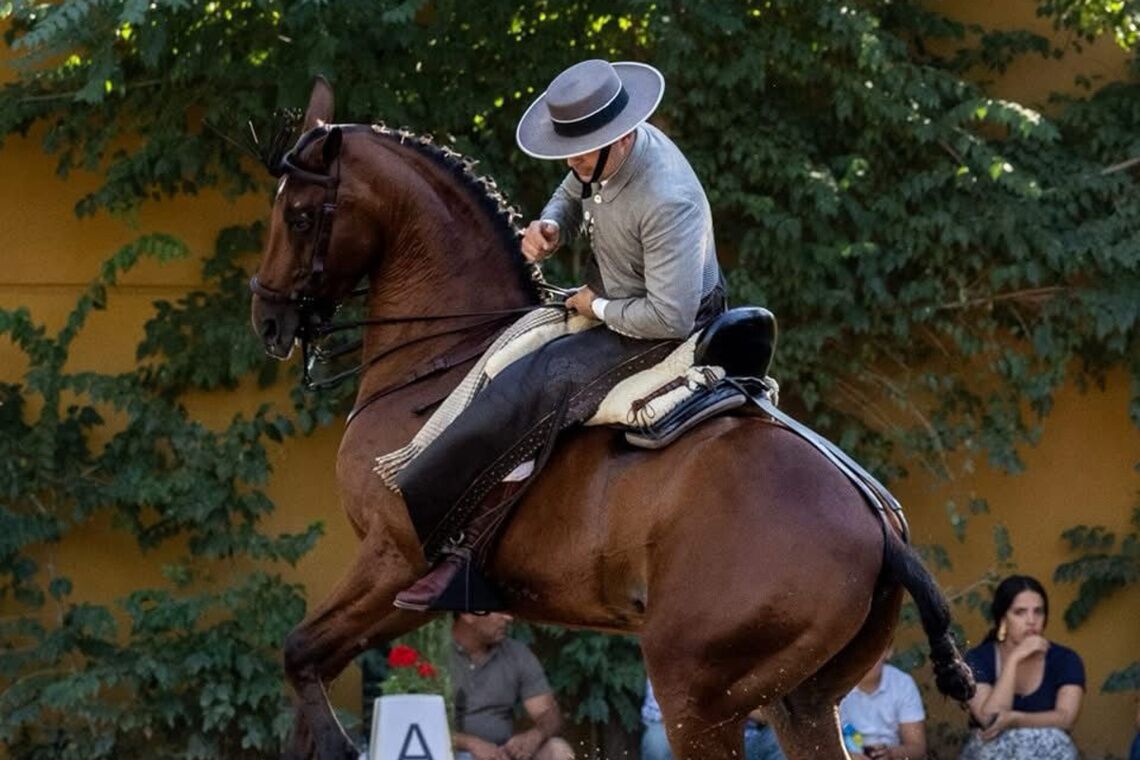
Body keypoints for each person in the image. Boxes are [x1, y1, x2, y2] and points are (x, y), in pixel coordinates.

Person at [394, 58, 724, 612]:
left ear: (620, 139)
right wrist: (552, 224)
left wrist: (594, 303)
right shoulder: (597, 155)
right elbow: (573, 189)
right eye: (568, 150)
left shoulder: (670, 199)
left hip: (666, 328)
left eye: (581, 151)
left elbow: (668, 317)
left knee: (537, 386)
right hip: (616, 302)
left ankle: (468, 556)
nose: (571, 162)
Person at [959, 575, 1085, 760]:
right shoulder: (978, 658)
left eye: (1038, 612)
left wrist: (1015, 719)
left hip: (1048, 753)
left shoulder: (1066, 659)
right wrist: (1014, 660)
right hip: (993, 751)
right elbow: (990, 719)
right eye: (1020, 612)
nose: (1031, 620)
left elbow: (1066, 719)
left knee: (1058, 744)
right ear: (1003, 619)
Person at [449, 612, 574, 760]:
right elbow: (422, 722)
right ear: (469, 615)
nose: (508, 617)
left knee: (557, 749)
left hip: (502, 754)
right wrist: (470, 743)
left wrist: (535, 735)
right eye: (498, 610)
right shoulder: (431, 651)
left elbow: (548, 713)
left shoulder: (516, 654)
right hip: (448, 752)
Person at [642, 677, 786, 760]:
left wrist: (729, 702)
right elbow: (665, 715)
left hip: (746, 742)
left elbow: (769, 715)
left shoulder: (751, 655)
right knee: (658, 742)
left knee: (780, 740)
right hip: (691, 742)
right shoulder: (676, 649)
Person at [838, 646, 926, 760]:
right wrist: (848, 756)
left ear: (888, 652)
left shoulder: (902, 684)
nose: (866, 661)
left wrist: (890, 754)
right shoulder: (838, 688)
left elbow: (917, 748)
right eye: (860, 653)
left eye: (872, 653)